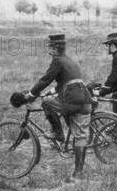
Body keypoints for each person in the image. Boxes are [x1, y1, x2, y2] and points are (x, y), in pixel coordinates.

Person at [24, 34, 92, 180]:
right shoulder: (71, 61)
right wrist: (49, 92)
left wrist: (31, 94)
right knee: (81, 136)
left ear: (55, 49)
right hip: (85, 99)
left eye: (49, 47)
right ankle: (78, 172)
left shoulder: (57, 61)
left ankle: (58, 133)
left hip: (71, 100)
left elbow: (45, 80)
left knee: (47, 102)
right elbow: (64, 84)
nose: (48, 50)